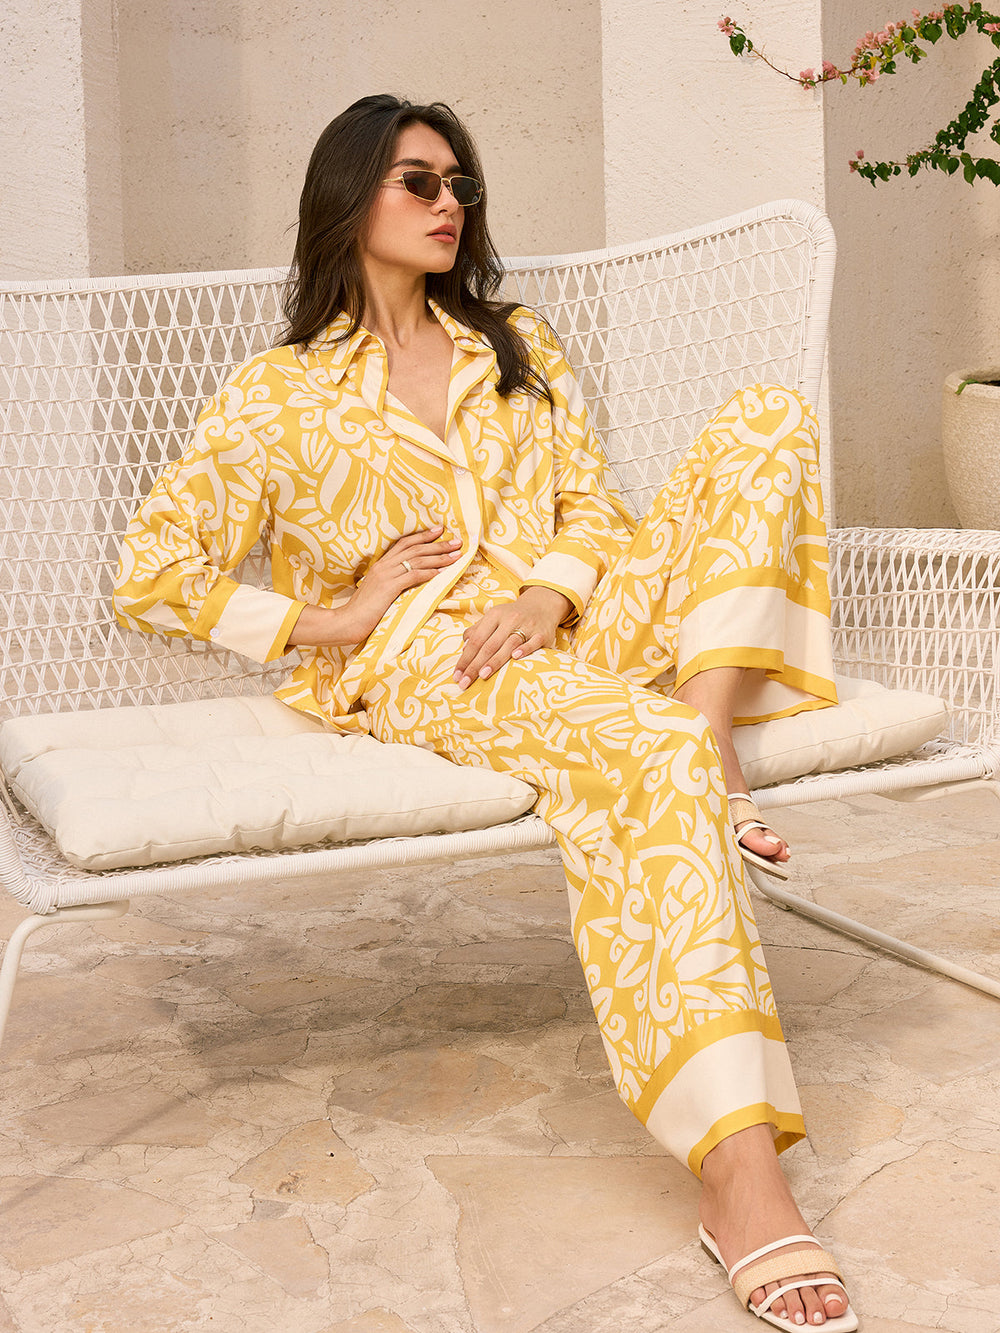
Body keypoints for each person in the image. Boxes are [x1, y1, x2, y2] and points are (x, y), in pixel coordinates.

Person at [113, 94, 857, 1330]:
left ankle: (710, 724)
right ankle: (739, 1175)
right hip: (432, 659)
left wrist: (548, 594)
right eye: (418, 181)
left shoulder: (514, 343)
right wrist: (333, 621)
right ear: (348, 195)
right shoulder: (276, 394)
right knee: (644, 749)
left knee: (767, 420)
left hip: (560, 620)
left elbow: (595, 511)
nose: (449, 202)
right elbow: (150, 572)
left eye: (458, 183)